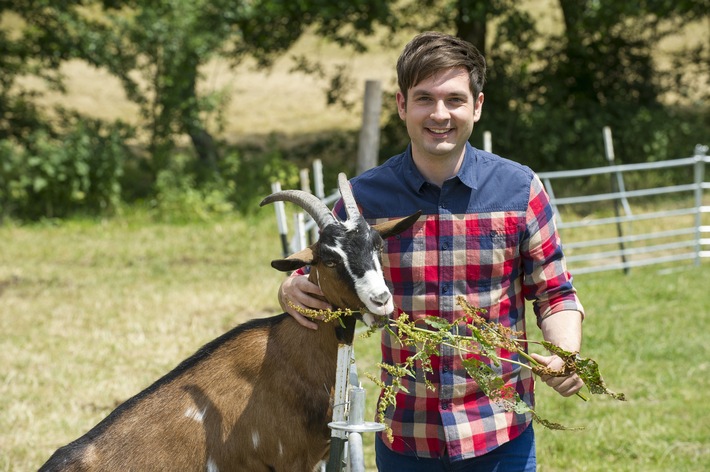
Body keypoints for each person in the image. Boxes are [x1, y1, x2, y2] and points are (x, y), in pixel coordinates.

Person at [278, 31, 585, 471]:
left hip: (500, 432)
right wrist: (290, 291)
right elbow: (322, 286)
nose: (439, 114)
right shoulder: (363, 201)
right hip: (406, 434)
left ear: (477, 107)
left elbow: (554, 293)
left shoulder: (520, 191)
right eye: (424, 99)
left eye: (455, 100)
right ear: (402, 105)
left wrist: (566, 353)